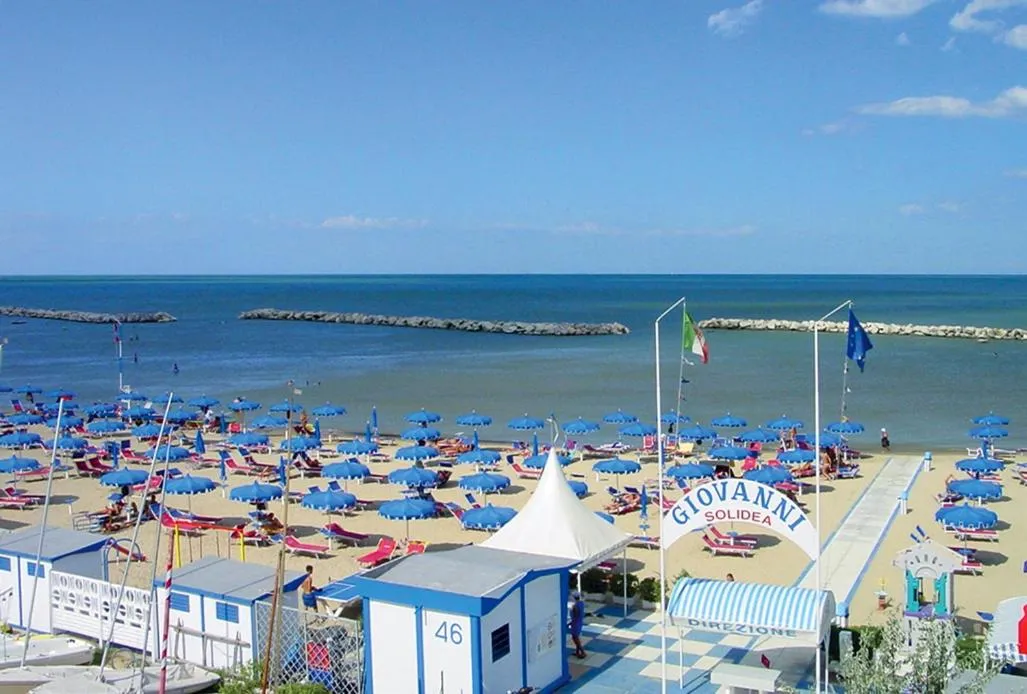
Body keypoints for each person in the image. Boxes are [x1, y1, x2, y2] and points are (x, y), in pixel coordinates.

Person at [568, 591, 586, 659]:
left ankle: (583, 652)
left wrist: (570, 623)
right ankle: (577, 652)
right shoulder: (581, 603)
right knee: (576, 637)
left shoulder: (575, 606)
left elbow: (575, 616)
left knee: (575, 638)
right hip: (579, 622)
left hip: (575, 624)